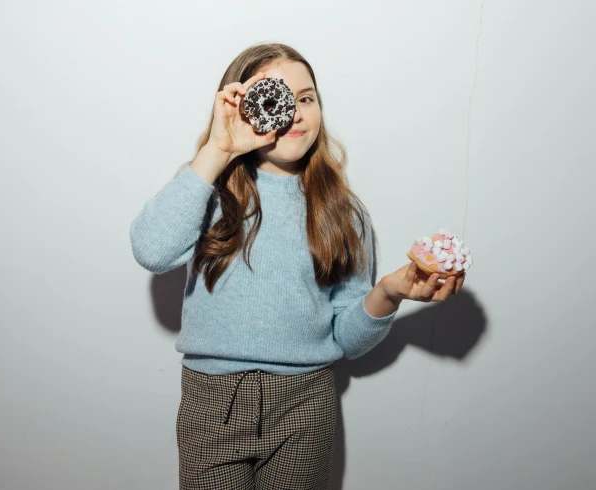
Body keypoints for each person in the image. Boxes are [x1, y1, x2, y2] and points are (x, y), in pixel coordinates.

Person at [129, 43, 465, 490]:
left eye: (306, 98)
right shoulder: (205, 189)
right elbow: (152, 251)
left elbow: (348, 339)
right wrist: (217, 148)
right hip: (213, 398)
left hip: (306, 403)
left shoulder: (341, 213)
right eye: (275, 98)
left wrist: (389, 291)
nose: (294, 113)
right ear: (242, 107)